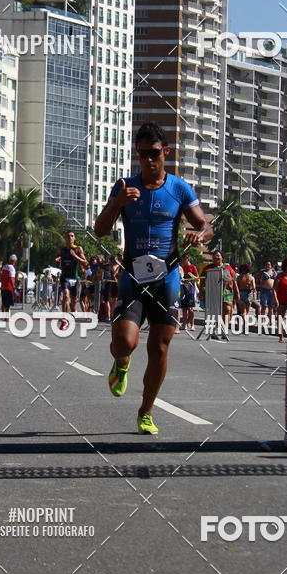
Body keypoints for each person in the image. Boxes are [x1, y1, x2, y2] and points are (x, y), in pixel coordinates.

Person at [94, 122, 213, 435]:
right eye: (143, 153)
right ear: (137, 154)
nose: (149, 159)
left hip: (167, 276)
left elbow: (205, 226)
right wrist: (116, 204)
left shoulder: (179, 188)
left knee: (160, 347)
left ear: (166, 153)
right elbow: (100, 230)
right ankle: (121, 362)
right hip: (133, 275)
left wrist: (200, 235)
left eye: (155, 153)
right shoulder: (124, 186)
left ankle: (146, 412)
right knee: (124, 342)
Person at [203, 250, 239, 337]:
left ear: (222, 257)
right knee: (214, 311)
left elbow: (234, 281)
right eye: (214, 256)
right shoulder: (208, 268)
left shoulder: (228, 268)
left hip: (226, 292)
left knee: (227, 309)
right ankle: (214, 330)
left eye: (218, 256)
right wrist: (201, 292)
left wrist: (237, 292)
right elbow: (202, 280)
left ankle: (224, 330)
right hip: (213, 292)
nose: (216, 257)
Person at [58, 231, 87, 313]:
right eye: (68, 236)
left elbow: (86, 263)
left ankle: (73, 308)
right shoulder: (62, 249)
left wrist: (75, 256)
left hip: (74, 277)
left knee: (74, 301)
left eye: (72, 236)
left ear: (74, 238)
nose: (70, 237)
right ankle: (64, 318)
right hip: (64, 277)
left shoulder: (78, 249)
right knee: (66, 295)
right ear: (65, 238)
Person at [179, 252, 199, 331]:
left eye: (185, 259)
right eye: (183, 259)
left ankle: (192, 324)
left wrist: (192, 276)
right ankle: (184, 324)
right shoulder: (182, 267)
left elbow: (197, 278)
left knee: (190, 308)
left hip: (191, 288)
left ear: (188, 259)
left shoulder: (193, 267)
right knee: (184, 308)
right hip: (184, 287)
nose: (184, 260)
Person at [275, 257, 287, 343]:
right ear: (286, 265)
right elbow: (274, 288)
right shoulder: (280, 275)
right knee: (280, 317)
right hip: (281, 300)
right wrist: (275, 299)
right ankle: (281, 336)